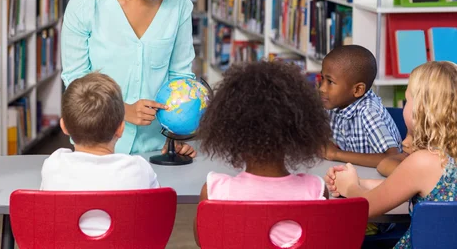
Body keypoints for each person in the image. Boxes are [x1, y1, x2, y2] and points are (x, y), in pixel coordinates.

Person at [61, 0, 196, 156]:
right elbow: (76, 83)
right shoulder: (84, 5)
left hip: (157, 148)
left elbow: (180, 77)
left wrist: (176, 136)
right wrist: (123, 111)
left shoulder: (179, 4)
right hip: (97, 147)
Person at [194, 61, 331, 248]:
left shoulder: (214, 191)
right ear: (299, 133)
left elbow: (204, 241)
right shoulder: (315, 190)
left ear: (231, 133)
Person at [325, 61, 457, 249]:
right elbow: (406, 188)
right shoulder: (443, 161)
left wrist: (351, 187)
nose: (405, 106)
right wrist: (362, 182)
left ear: (422, 109)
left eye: (408, 100)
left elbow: (366, 208)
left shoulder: (424, 161)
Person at [40, 72, 159, 236]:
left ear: (64, 127)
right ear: (121, 128)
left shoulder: (53, 165)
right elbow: (154, 222)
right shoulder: (139, 169)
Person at [320, 45, 402, 167]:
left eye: (330, 82)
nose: (322, 88)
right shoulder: (335, 103)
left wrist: (336, 154)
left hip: (379, 180)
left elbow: (393, 158)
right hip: (356, 173)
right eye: (322, 79)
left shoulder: (368, 112)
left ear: (358, 90)